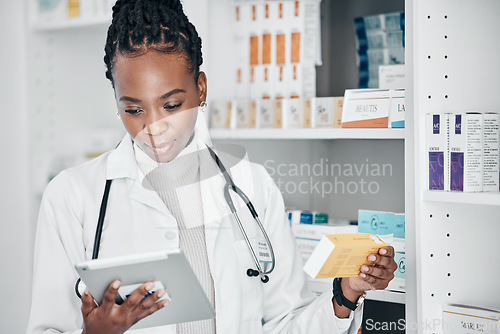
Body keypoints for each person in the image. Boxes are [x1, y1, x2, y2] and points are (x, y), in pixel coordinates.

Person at [26, 0, 397, 333]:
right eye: (134, 110)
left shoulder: (252, 186)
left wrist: (346, 293)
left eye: (171, 105)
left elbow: (285, 322)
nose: (153, 128)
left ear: (200, 89)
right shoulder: (73, 197)